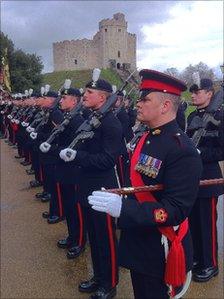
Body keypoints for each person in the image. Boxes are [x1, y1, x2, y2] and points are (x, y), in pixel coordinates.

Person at [88, 69, 203, 299]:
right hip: (139, 241)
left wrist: (124, 208)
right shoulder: (147, 137)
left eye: (145, 99)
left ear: (165, 105)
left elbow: (176, 209)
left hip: (159, 247)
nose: (138, 104)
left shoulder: (182, 150)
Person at [59, 77, 123, 299]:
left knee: (105, 238)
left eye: (89, 92)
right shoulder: (92, 118)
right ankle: (98, 276)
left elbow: (107, 160)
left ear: (103, 97)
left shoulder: (111, 123)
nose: (84, 96)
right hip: (87, 185)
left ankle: (110, 282)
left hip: (103, 189)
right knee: (94, 238)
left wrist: (78, 156)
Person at [187, 78, 224, 282]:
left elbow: (221, 150)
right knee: (193, 221)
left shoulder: (220, 116)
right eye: (192, 92)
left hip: (209, 179)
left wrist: (201, 152)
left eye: (197, 92)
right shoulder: (192, 115)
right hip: (192, 178)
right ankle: (196, 258)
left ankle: (210, 264)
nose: (193, 95)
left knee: (206, 224)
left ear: (210, 94)